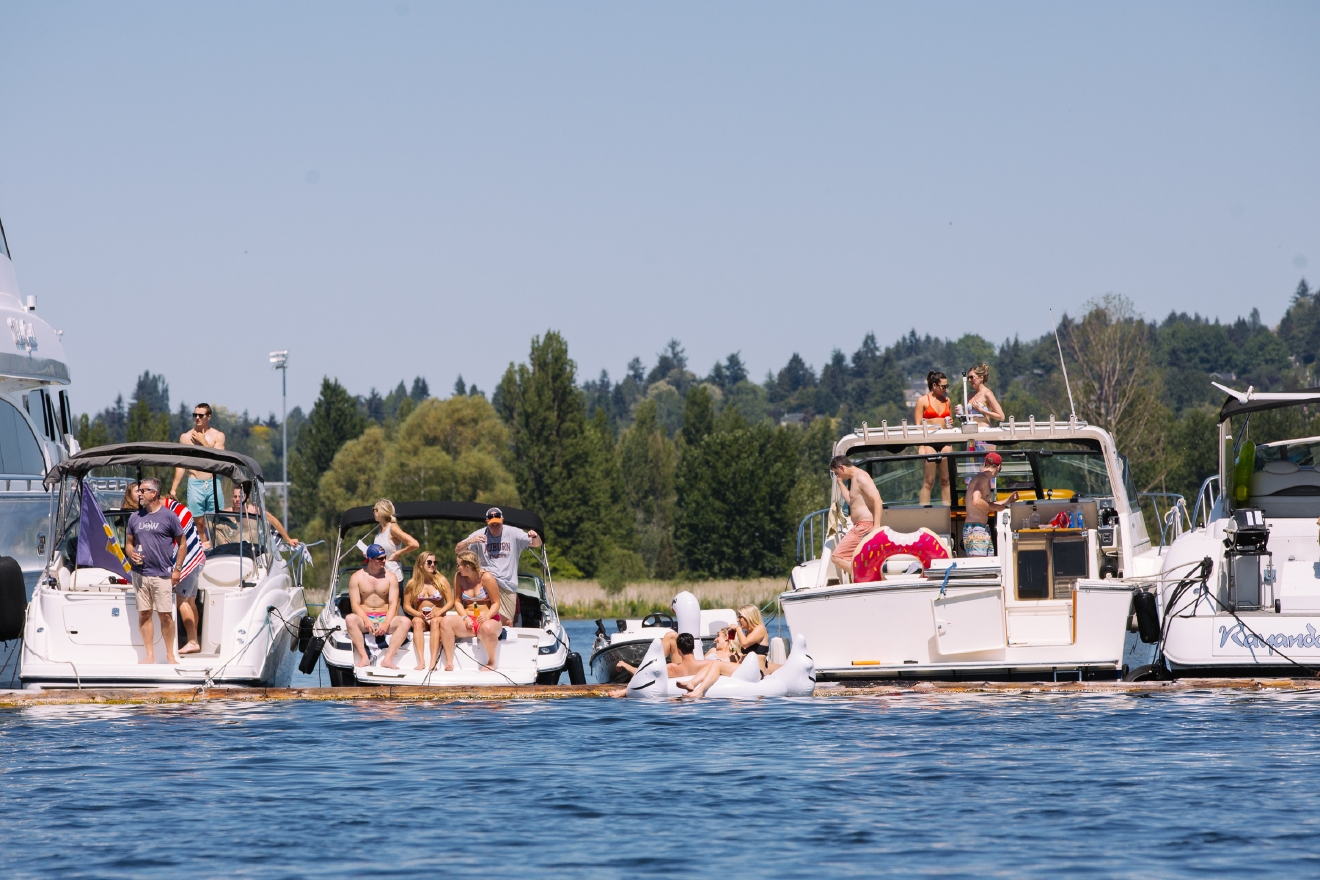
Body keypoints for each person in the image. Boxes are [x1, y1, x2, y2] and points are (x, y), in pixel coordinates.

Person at [125, 478, 187, 665]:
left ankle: (170, 655)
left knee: (165, 615)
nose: (140, 494)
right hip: (140, 574)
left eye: (143, 491)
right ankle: (149, 655)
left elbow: (183, 543)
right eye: (140, 491)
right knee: (144, 614)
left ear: (154, 493)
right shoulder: (135, 517)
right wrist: (131, 554)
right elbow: (128, 543)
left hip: (162, 574)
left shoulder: (169, 517)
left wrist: (177, 569)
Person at [455, 507, 542, 626]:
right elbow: (457, 549)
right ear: (487, 523)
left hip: (507, 584)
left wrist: (535, 536)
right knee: (484, 620)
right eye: (492, 525)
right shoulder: (479, 534)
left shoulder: (513, 533)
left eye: (498, 524)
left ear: (503, 520)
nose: (495, 528)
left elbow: (536, 544)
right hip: (485, 581)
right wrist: (469, 541)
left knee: (507, 623)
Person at [345, 544, 412, 668]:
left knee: (406, 622)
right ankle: (364, 657)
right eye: (380, 559)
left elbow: (393, 603)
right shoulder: (357, 577)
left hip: (385, 617)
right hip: (365, 617)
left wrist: (386, 623)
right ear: (370, 559)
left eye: (385, 557)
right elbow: (355, 604)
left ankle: (387, 659)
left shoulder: (391, 577)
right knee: (349, 619)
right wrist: (366, 621)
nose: (384, 561)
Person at [169, 403, 225, 545]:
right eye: (195, 415)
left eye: (201, 415)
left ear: (209, 416)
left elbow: (219, 460)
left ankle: (218, 548)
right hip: (195, 482)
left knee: (216, 523)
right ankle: (203, 549)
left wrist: (203, 442)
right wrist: (174, 488)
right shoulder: (186, 437)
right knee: (198, 523)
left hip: (212, 482)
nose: (197, 418)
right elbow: (181, 465)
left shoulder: (218, 436)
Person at [441, 551, 505, 672]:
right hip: (469, 619)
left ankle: (491, 662)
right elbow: (458, 602)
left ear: (467, 567)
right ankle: (449, 662)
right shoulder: (459, 577)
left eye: (458, 565)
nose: (457, 568)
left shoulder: (486, 577)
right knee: (446, 621)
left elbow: (496, 603)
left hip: (489, 619)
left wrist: (487, 616)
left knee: (487, 628)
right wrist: (464, 617)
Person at [162, 495, 208, 655]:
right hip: (198, 559)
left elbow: (180, 541)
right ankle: (194, 640)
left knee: (181, 601)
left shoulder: (175, 512)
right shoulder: (180, 509)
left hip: (189, 561)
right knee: (191, 601)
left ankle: (192, 641)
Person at [829, 456, 883, 581]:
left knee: (837, 557)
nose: (839, 475)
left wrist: (876, 527)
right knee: (849, 557)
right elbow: (851, 500)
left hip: (865, 526)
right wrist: (841, 484)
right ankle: (864, 575)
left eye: (837, 472)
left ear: (842, 467)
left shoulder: (861, 477)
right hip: (859, 526)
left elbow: (878, 500)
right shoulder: (854, 479)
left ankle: (863, 575)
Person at [402, 552, 455, 671]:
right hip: (421, 616)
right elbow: (406, 606)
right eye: (429, 562)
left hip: (438, 616)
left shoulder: (441, 580)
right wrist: (417, 614)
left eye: (435, 562)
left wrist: (437, 613)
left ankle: (433, 662)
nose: (433, 565)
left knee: (435, 622)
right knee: (416, 622)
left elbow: (450, 602)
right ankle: (421, 661)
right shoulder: (412, 583)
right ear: (421, 564)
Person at [964, 452, 1019, 557]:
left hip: (980, 528)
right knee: (980, 568)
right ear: (999, 467)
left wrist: (1008, 501)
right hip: (976, 529)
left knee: (988, 566)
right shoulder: (982, 478)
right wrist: (995, 507)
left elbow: (985, 504)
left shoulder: (983, 478)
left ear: (985, 464)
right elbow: (976, 501)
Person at [914, 371, 954, 506]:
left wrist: (951, 424)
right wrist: (921, 446)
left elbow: (949, 422)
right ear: (934, 385)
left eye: (946, 386)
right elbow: (918, 426)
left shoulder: (947, 401)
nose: (945, 389)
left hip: (945, 439)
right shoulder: (923, 400)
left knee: (946, 480)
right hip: (929, 441)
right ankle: (924, 512)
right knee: (929, 481)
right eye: (943, 386)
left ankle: (947, 511)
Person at [217, 485, 301, 547]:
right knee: (217, 529)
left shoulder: (253, 511)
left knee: (252, 532)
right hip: (230, 547)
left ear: (246, 498)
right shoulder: (227, 513)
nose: (237, 499)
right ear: (232, 498)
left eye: (240, 497)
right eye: (235, 497)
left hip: (250, 550)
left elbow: (274, 521)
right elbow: (212, 525)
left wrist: (288, 539)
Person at [371, 499, 418, 584]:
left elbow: (414, 544)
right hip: (380, 577)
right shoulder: (380, 530)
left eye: (374, 510)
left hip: (393, 577)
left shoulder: (393, 528)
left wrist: (398, 553)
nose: (373, 512)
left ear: (381, 511)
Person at [730, 604, 774, 672]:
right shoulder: (747, 633)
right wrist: (731, 637)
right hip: (746, 669)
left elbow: (744, 643)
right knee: (710, 663)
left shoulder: (760, 628)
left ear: (748, 617)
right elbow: (733, 648)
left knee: (717, 665)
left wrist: (738, 628)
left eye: (740, 617)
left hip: (756, 672)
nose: (737, 620)